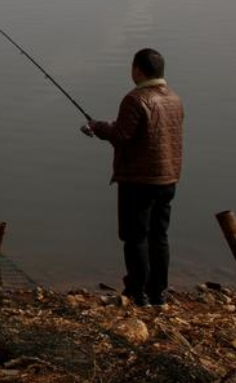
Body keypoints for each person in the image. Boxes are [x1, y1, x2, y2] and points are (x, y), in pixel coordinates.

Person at [82, 48, 184, 307]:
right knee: (159, 236)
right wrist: (108, 126)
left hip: (138, 181)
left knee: (135, 237)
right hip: (168, 178)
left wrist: (96, 127)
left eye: (132, 66)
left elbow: (122, 136)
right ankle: (158, 293)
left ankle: (137, 293)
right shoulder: (174, 98)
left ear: (138, 69)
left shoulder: (135, 99)